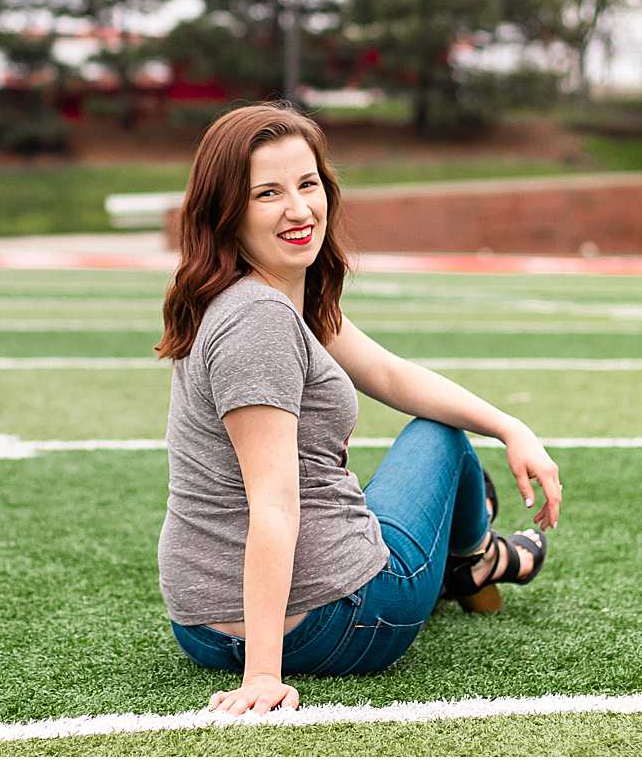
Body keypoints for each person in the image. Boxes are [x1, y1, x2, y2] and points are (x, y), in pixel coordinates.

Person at [157, 102, 563, 715]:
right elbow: (272, 503)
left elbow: (389, 373)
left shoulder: (266, 296)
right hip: (336, 620)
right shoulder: (259, 323)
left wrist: (512, 426)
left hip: (202, 627)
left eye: (308, 184)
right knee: (442, 439)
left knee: (440, 424)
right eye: (267, 193)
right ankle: (478, 561)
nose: (298, 210)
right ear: (227, 210)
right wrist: (262, 675)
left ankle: (475, 554)